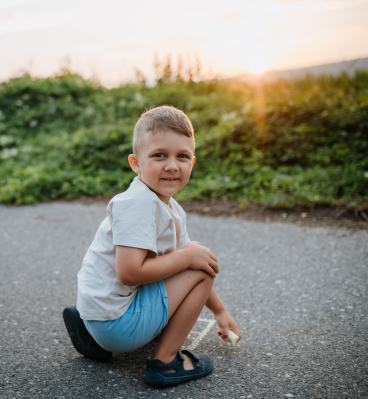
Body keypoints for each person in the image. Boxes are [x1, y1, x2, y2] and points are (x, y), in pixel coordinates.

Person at [63, 105, 241, 387]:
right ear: (136, 163)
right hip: (116, 324)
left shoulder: (164, 205)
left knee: (191, 256)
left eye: (182, 156)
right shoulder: (140, 205)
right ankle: (166, 362)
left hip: (98, 312)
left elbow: (188, 264)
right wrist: (186, 258)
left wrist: (220, 311)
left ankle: (91, 333)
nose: (172, 165)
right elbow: (130, 273)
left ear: (191, 163)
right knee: (195, 262)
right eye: (159, 155)